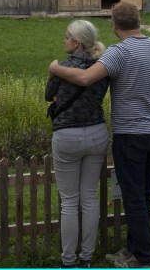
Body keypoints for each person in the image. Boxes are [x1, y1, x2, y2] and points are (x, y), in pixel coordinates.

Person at [49, 1, 150, 269]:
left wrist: (56, 69)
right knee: (144, 192)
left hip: (131, 133)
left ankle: (144, 257)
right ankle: (133, 247)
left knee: (133, 196)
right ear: (138, 21)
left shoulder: (119, 52)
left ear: (114, 25)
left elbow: (85, 78)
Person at [46, 19, 110, 269]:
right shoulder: (101, 66)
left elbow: (47, 95)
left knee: (70, 202)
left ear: (76, 42)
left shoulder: (63, 67)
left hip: (68, 135)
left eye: (66, 37)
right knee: (90, 198)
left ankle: (69, 261)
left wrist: (54, 69)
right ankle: (87, 257)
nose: (64, 40)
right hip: (96, 133)